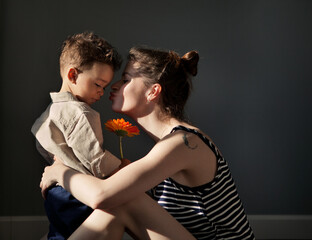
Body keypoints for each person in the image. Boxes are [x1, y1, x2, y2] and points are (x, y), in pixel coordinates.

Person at [40, 46, 255, 239]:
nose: (113, 87)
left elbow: (101, 196)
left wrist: (59, 171)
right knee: (124, 195)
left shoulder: (185, 142)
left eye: (125, 80)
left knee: (123, 200)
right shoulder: (168, 147)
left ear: (153, 91)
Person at [31, 32, 126, 240]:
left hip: (56, 191)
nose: (101, 92)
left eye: (105, 87)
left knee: (60, 233)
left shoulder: (49, 112)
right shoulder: (81, 112)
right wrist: (121, 168)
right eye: (98, 84)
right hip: (76, 193)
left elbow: (42, 146)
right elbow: (95, 161)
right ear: (73, 75)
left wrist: (61, 162)